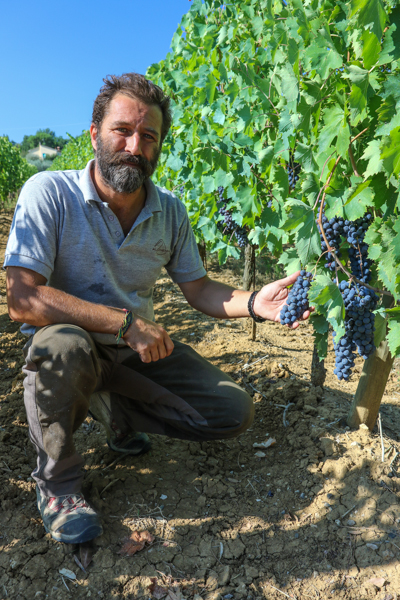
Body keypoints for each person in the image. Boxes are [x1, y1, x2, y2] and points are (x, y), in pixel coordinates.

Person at [4, 73, 311, 545]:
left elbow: (200, 290)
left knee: (232, 410)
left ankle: (116, 412)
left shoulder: (170, 211)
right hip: (73, 348)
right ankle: (59, 487)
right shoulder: (49, 192)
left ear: (159, 146)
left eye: (148, 136)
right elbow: (22, 299)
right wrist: (125, 323)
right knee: (63, 348)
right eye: (121, 130)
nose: (133, 144)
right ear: (94, 133)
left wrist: (253, 303)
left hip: (132, 356)